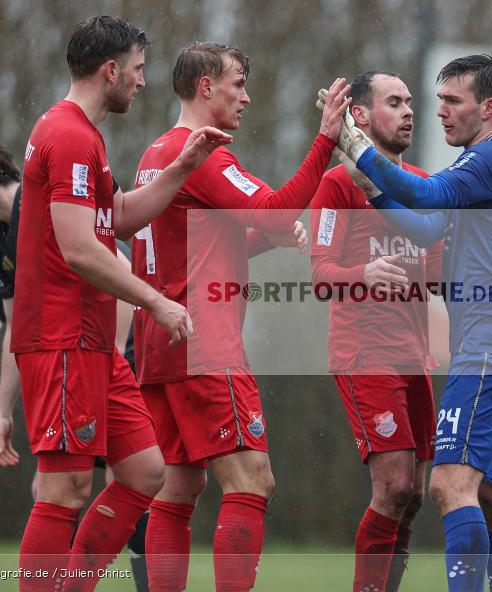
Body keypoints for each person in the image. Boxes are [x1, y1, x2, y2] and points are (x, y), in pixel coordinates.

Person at [11, 16, 231, 591]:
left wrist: (182, 169)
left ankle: (73, 584)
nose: (140, 82)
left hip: (90, 340)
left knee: (145, 471)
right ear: (110, 70)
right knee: (65, 489)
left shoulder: (83, 135)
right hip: (61, 337)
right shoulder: (70, 135)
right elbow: (81, 249)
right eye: (136, 70)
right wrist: (156, 301)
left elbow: (119, 219)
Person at [312, 72, 492, 592]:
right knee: (475, 494)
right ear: (361, 112)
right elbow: (333, 270)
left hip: (481, 346)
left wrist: (358, 155)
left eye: (448, 100)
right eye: (397, 102)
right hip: (378, 353)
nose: (427, 110)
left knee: (441, 487)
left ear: (487, 107)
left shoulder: (475, 162)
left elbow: (425, 208)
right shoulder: (341, 185)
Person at [130, 42, 349, 592]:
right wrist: (325, 139)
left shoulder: (158, 150)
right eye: (237, 84)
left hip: (159, 345)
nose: (247, 97)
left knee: (177, 488)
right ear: (205, 87)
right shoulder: (202, 153)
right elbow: (278, 209)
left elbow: (196, 248)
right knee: (252, 480)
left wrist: (262, 240)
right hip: (205, 342)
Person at [0, 131, 151, 592]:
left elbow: (120, 268)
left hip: (100, 354)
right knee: (65, 490)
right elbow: (18, 326)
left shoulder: (37, 207)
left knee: (138, 477)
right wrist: (0, 413)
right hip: (71, 362)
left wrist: (107, 361)